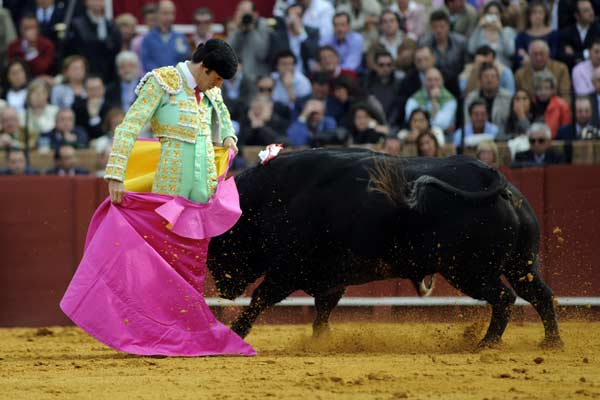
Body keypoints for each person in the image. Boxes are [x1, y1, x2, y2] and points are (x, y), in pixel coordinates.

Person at [61, 39, 255, 357]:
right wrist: (114, 175)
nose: (217, 86)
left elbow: (222, 112)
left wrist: (230, 136)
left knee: (190, 270)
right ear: (205, 68)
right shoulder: (161, 82)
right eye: (217, 79)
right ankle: (157, 333)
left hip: (202, 198)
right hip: (169, 197)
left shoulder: (211, 89)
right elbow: (128, 128)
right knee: (162, 269)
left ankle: (184, 334)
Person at [140, 0, 188, 73]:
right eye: (165, 13)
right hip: (155, 81)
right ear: (157, 14)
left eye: (172, 13)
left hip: (176, 80)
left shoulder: (180, 38)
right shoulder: (148, 39)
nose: (170, 17)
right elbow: (146, 62)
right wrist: (160, 76)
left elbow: (184, 62)